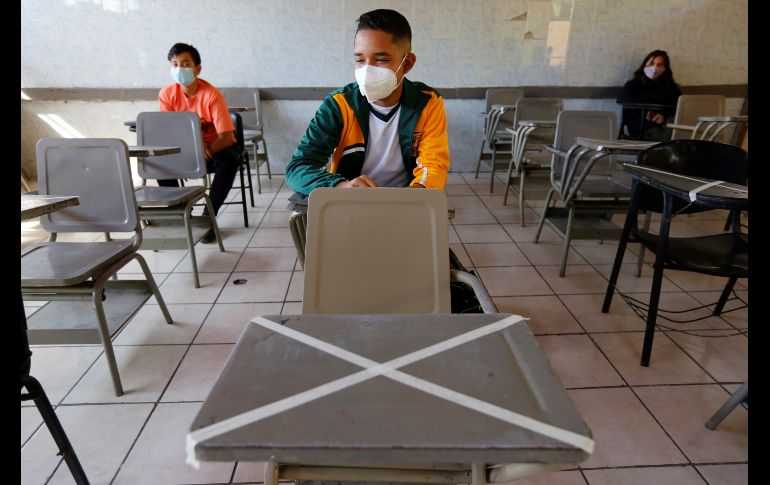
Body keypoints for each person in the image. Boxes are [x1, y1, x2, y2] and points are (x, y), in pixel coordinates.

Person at [285, 8, 450, 204]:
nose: (367, 70)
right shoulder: (339, 104)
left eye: (381, 60)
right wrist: (341, 186)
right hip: (351, 202)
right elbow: (299, 167)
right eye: (360, 60)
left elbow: (434, 165)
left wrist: (412, 198)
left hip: (405, 199)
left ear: (407, 64)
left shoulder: (427, 103)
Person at [157, 42, 240, 242]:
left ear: (198, 68)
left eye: (185, 64)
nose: (179, 69)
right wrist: (193, 147)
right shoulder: (166, 95)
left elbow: (227, 137)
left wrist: (205, 149)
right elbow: (169, 132)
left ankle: (208, 217)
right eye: (174, 64)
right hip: (186, 151)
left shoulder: (212, 95)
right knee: (159, 164)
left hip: (214, 149)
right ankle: (181, 214)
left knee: (229, 160)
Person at [616, 50, 681, 141]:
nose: (655, 67)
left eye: (659, 64)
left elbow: (678, 106)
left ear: (665, 67)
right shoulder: (634, 84)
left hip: (664, 125)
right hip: (642, 127)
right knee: (670, 139)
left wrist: (663, 114)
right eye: (651, 63)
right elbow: (621, 99)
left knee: (676, 126)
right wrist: (650, 109)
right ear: (645, 65)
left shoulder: (670, 87)